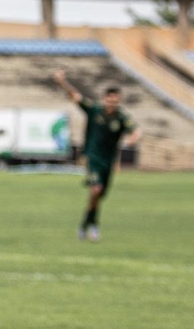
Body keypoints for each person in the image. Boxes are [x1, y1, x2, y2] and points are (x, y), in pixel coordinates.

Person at [53, 70, 141, 242]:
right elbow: (75, 96)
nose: (112, 103)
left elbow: (136, 131)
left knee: (98, 197)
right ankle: (93, 226)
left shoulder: (121, 118)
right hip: (93, 158)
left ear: (118, 101)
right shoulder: (95, 111)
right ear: (105, 99)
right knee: (95, 190)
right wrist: (62, 81)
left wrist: (131, 140)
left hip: (109, 162)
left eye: (115, 101)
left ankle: (87, 223)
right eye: (110, 99)